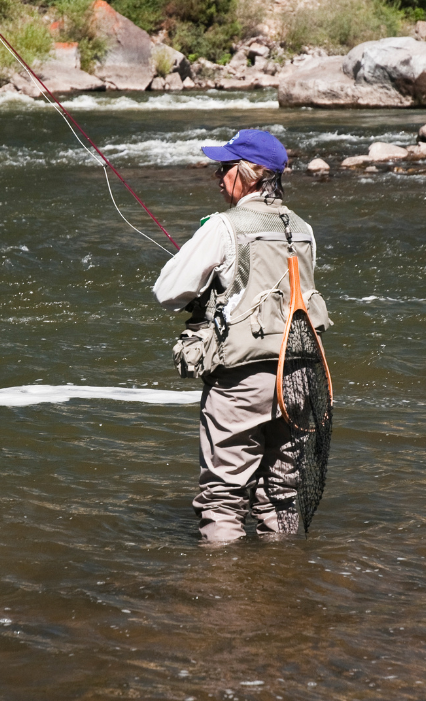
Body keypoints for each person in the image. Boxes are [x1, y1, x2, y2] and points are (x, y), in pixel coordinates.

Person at [153, 129, 331, 542]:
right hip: (301, 375)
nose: (217, 176)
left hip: (242, 382)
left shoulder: (223, 227)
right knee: (282, 494)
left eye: (225, 167)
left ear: (251, 174)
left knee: (222, 498)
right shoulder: (304, 228)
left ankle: (223, 595)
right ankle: (282, 585)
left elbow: (167, 292)